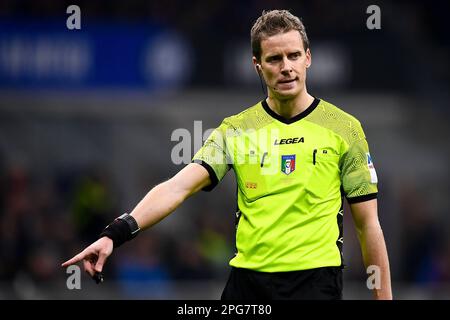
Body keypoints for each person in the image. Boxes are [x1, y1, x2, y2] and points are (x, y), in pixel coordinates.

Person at [62, 9, 392, 300]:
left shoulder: (344, 129)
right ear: (257, 65)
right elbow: (178, 187)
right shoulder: (236, 130)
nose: (286, 67)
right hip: (248, 285)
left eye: (293, 56)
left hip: (315, 282)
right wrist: (114, 234)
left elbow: (368, 226)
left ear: (308, 57)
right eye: (275, 59)